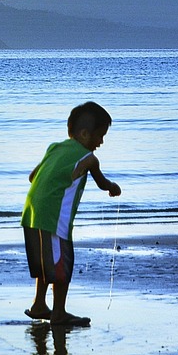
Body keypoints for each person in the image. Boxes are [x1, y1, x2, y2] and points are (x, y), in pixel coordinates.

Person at [22, 101, 121, 327]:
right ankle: (58, 313)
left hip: (30, 213)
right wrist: (113, 187)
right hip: (55, 218)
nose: (101, 142)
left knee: (45, 262)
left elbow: (32, 176)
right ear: (85, 134)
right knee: (61, 265)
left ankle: (39, 304)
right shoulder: (89, 158)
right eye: (100, 136)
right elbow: (102, 182)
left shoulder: (54, 148)